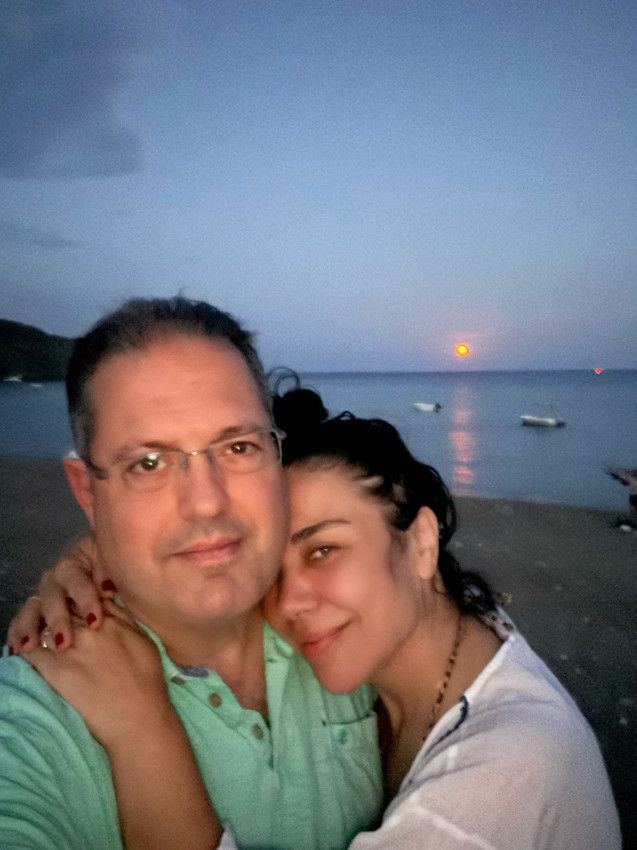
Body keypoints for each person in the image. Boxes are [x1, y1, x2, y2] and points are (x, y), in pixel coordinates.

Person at [9, 383, 621, 848]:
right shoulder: (450, 643)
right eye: (271, 570)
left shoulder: (497, 785)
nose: (290, 602)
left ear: (421, 543)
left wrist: (145, 728)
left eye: (323, 550)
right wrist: (102, 553)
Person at [0, 299, 383, 849]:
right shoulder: (36, 716)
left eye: (238, 447)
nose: (206, 502)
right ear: (88, 492)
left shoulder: (343, 616)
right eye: (148, 464)